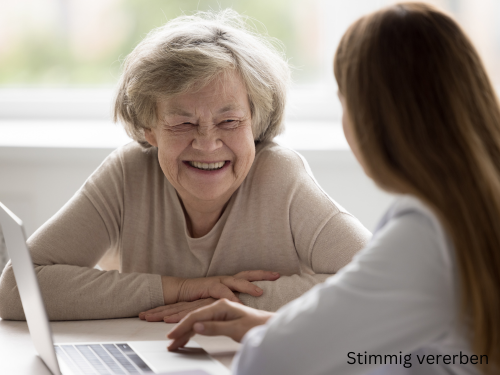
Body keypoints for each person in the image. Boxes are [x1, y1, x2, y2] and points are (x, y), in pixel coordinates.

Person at [167, 3, 500, 374]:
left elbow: (268, 362)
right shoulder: (474, 211)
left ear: (373, 118)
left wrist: (278, 336)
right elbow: (426, 351)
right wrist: (275, 326)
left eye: (345, 101)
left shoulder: (427, 234)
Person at [0, 10, 370, 322]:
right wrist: (178, 289)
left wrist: (229, 303)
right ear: (150, 130)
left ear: (255, 122)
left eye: (229, 122)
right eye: (182, 123)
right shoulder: (129, 175)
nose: (207, 143)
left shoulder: (279, 175)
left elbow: (380, 278)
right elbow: (17, 290)